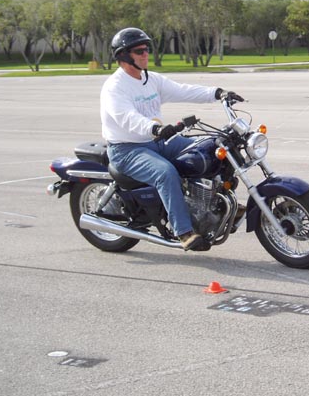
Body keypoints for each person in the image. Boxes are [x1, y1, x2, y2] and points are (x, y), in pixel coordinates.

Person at [100, 27, 242, 251]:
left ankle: (217, 204)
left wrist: (217, 93)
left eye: (147, 49)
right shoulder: (114, 87)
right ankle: (183, 231)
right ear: (124, 55)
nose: (146, 54)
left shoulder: (151, 79)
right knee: (166, 173)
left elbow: (183, 90)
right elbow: (127, 117)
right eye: (139, 51)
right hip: (127, 149)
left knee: (210, 150)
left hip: (157, 141)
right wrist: (155, 128)